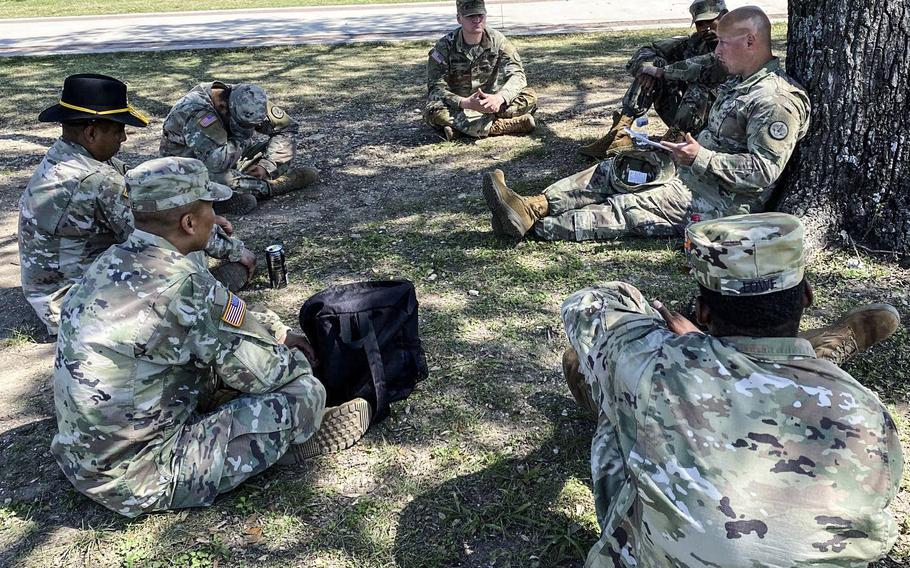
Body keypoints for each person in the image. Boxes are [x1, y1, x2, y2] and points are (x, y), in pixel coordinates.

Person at [562, 212, 903, 567]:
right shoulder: (868, 414)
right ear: (806, 295)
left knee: (614, 384)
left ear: (702, 312)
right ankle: (815, 355)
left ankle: (810, 352)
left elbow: (586, 305)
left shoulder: (658, 367)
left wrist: (688, 346)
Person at [51, 157, 371, 518]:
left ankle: (225, 417)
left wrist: (276, 332)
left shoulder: (115, 260)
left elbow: (215, 324)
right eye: (210, 207)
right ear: (189, 223)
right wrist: (301, 360)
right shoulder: (183, 285)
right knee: (304, 393)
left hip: (85, 456)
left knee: (218, 360)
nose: (216, 217)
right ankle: (283, 445)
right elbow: (268, 372)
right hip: (140, 477)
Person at [483, 6, 810, 242]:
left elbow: (764, 170)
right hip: (688, 170)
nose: (716, 49)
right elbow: (695, 66)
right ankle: (531, 206)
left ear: (750, 42)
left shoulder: (775, 100)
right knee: (621, 167)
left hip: (717, 202)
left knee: (624, 209)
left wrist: (700, 157)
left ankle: (533, 229)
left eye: (723, 42)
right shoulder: (742, 77)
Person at [17, 74, 254, 336]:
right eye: (118, 130)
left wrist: (202, 213)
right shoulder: (94, 180)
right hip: (73, 305)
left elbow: (141, 189)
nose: (124, 138)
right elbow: (158, 225)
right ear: (91, 132)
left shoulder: (71, 156)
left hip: (58, 287)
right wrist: (234, 250)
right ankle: (206, 296)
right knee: (184, 240)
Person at [579, 0, 730, 159]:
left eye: (710, 22)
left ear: (725, 16)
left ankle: (675, 141)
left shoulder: (738, 43)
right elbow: (648, 49)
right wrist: (648, 67)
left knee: (700, 83)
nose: (705, 28)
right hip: (690, 119)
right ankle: (620, 132)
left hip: (722, 123)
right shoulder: (694, 43)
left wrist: (662, 71)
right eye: (700, 24)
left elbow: (704, 65)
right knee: (652, 67)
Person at [160, 81, 317, 215]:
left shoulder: (247, 98)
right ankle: (271, 188)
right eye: (241, 123)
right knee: (217, 178)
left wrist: (266, 165)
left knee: (283, 146)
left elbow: (287, 128)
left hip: (229, 155)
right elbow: (217, 163)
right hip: (189, 168)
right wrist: (243, 133)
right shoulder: (196, 111)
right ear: (223, 107)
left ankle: (226, 195)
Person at [424, 0, 538, 140]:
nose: (477, 20)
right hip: (458, 104)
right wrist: (465, 102)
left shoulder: (498, 40)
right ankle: (501, 126)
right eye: (470, 16)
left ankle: (461, 129)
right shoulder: (444, 46)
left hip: (491, 102)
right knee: (433, 111)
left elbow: (517, 74)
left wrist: (499, 98)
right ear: (459, 18)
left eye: (480, 15)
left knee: (529, 96)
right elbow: (435, 87)